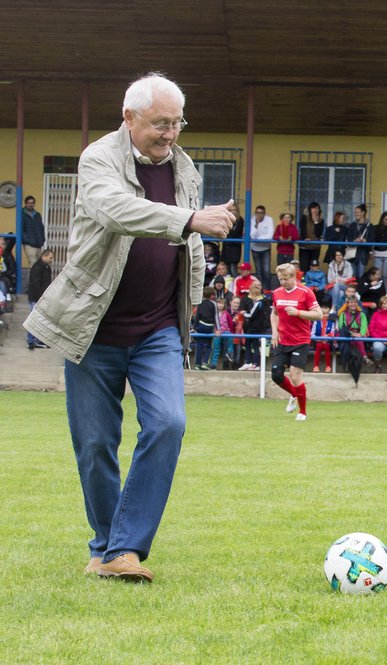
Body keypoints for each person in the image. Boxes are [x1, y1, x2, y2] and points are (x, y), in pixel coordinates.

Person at [23, 72, 236, 582]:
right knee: (95, 444)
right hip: (93, 326)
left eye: (177, 123)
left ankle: (123, 549)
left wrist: (194, 288)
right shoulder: (98, 159)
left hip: (159, 326)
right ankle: (108, 548)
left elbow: (192, 245)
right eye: (160, 123)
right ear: (129, 117)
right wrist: (188, 221)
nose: (170, 134)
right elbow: (114, 211)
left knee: (168, 423)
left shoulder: (184, 167)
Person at [270, 263, 322, 421]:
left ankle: (303, 412)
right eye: (280, 279)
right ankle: (294, 394)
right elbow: (274, 314)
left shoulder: (306, 293)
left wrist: (298, 312)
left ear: (293, 277)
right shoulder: (277, 293)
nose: (283, 282)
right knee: (276, 375)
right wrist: (274, 332)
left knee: (295, 376)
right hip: (282, 339)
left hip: (300, 340)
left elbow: (319, 315)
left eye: (285, 279)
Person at [26, 248, 54, 349]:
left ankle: (37, 340)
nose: (52, 260)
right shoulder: (37, 267)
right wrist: (40, 298)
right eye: (50, 257)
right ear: (44, 256)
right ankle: (31, 341)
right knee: (34, 319)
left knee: (39, 320)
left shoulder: (46, 267)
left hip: (41, 298)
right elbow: (35, 284)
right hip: (36, 298)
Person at [239, 280, 269, 371]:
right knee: (247, 344)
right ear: (251, 287)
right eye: (255, 285)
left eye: (259, 285)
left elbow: (267, 313)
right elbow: (241, 310)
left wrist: (265, 325)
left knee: (256, 345)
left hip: (259, 326)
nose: (257, 287)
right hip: (247, 326)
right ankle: (248, 362)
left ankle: (256, 364)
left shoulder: (264, 300)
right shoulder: (245, 298)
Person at [249, 205, 274, 288]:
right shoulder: (252, 220)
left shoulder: (269, 220)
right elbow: (252, 236)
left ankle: (267, 289)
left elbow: (270, 235)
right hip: (255, 248)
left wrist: (258, 239)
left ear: (264, 213)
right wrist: (256, 225)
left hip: (266, 248)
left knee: (266, 270)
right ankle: (260, 289)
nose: (259, 215)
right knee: (258, 271)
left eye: (261, 213)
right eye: (257, 213)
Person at [348, 203, 374, 279]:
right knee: (352, 275)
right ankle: (352, 290)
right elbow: (348, 239)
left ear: (363, 213)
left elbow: (372, 239)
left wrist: (365, 240)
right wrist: (355, 240)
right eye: (355, 213)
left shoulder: (369, 225)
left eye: (357, 212)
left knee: (360, 275)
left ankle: (359, 290)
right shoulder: (352, 225)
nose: (355, 214)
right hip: (352, 254)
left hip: (363, 254)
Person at [298, 201, 324, 272]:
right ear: (310, 209)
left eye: (317, 209)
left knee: (313, 268)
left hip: (315, 248)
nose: (315, 210)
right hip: (305, 247)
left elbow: (318, 234)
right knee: (304, 268)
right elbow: (302, 229)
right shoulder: (304, 217)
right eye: (313, 208)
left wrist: (316, 222)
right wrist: (305, 237)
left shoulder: (320, 220)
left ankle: (312, 282)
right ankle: (303, 283)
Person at [21, 195, 46, 268]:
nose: (30, 204)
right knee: (33, 264)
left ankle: (36, 279)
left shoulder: (37, 215)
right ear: (25, 203)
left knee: (39, 265)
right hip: (29, 244)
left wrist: (42, 240)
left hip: (38, 243)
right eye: (28, 203)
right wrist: (27, 240)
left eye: (32, 203)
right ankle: (32, 280)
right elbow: (21, 230)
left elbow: (41, 228)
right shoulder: (22, 214)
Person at [221, 203, 244, 277]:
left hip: (235, 248)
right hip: (226, 248)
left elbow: (234, 233)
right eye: (231, 210)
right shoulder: (225, 220)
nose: (233, 212)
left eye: (234, 210)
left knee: (233, 268)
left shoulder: (240, 220)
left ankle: (235, 285)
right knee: (226, 269)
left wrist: (226, 233)